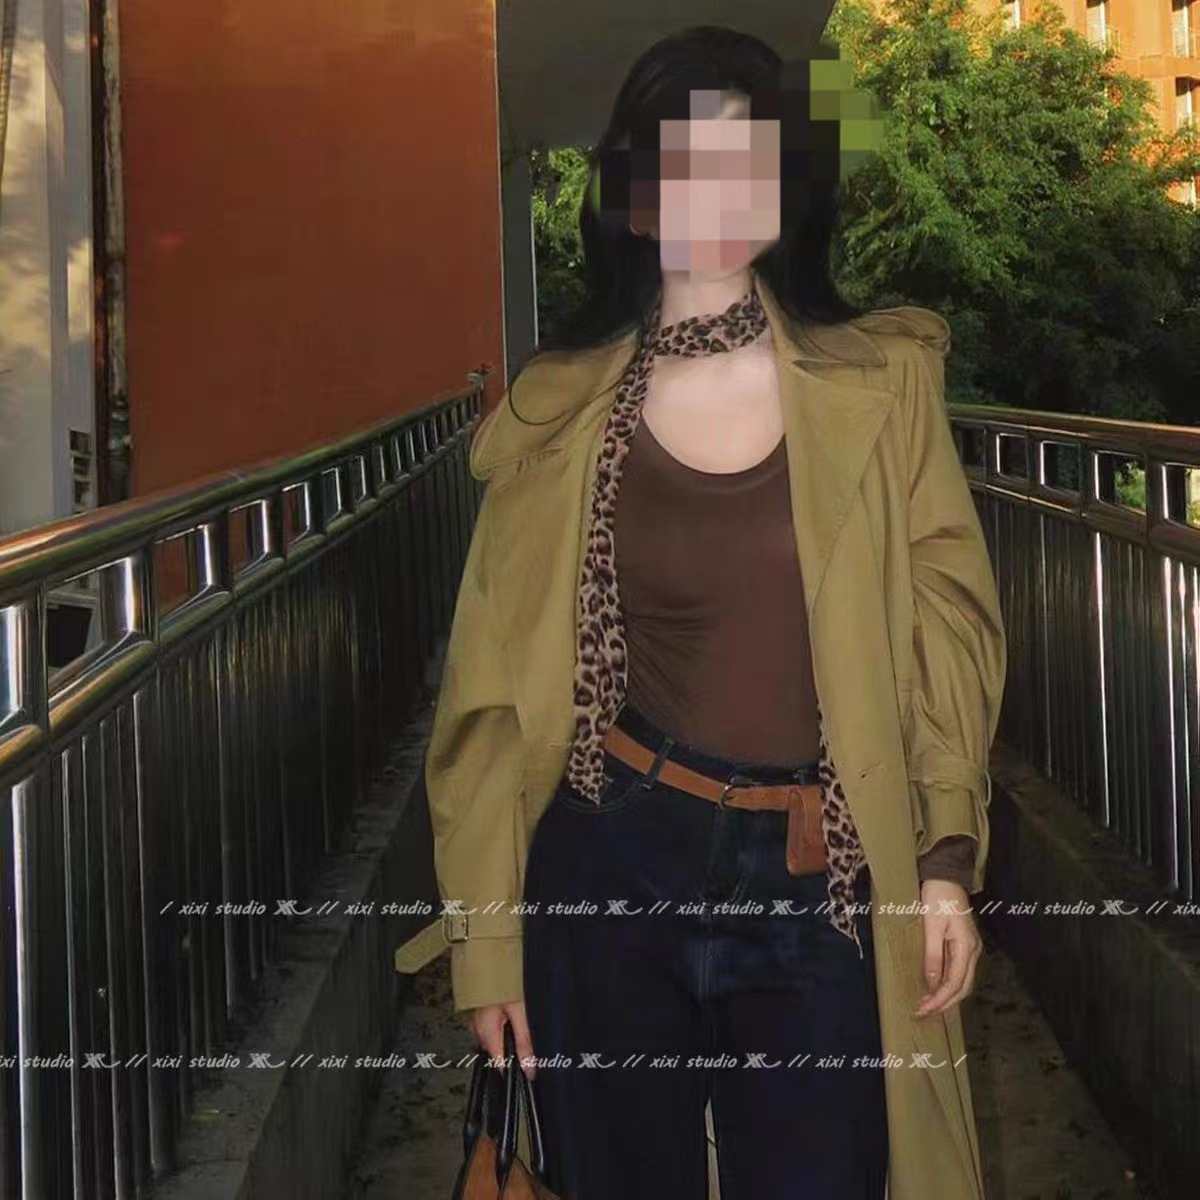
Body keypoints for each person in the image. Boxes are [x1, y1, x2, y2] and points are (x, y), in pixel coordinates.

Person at [396, 23, 1006, 1200]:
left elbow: (949, 634)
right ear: (633, 195)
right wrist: (488, 944)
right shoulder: (560, 416)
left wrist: (943, 856)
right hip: (611, 858)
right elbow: (487, 697)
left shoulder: (880, 387)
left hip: (820, 877)